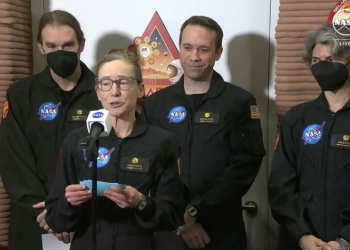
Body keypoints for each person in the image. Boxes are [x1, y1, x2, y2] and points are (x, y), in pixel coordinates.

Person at [140, 16, 266, 250]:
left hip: (221, 230)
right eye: (187, 47)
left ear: (218, 53)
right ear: (179, 49)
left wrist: (196, 210)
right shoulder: (155, 104)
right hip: (169, 230)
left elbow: (245, 165)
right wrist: (183, 219)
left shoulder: (239, 102)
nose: (194, 57)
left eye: (204, 49)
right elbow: (150, 166)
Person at [45, 48, 185, 250]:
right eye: (106, 83)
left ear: (141, 89)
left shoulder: (161, 142)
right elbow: (55, 219)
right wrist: (70, 203)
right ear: (98, 92)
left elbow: (173, 216)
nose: (114, 91)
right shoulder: (77, 141)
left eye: (124, 82)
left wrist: (141, 202)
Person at [0, 10, 101, 250]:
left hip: (88, 219)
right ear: (40, 48)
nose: (60, 52)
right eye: (52, 46)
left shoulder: (104, 94)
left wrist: (68, 212)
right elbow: (13, 158)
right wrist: (48, 212)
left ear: (81, 44)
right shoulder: (21, 94)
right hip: (35, 217)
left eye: (67, 45)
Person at [269, 23, 350, 250]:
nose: (322, 68)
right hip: (300, 242)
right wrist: (301, 235)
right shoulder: (297, 118)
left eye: (331, 60)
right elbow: (280, 185)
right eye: (316, 61)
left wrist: (344, 242)